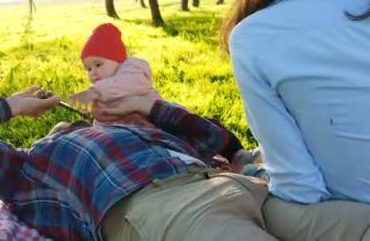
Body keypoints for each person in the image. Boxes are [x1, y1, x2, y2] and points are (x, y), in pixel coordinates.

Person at [0, 86, 276, 241]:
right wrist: (14, 105)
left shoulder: (138, 130)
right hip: (164, 210)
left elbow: (219, 141)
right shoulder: (29, 170)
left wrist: (145, 107)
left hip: (245, 187)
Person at [223, 0, 370, 239]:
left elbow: (301, 188)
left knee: (256, 195)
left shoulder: (256, 35)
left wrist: (256, 176)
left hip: (358, 221)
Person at [69, 23, 257, 170]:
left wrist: (94, 92)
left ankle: (238, 155)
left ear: (117, 59)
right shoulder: (100, 88)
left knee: (205, 128)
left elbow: (132, 83)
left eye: (98, 64)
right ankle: (215, 163)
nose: (92, 73)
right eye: (88, 68)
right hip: (139, 135)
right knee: (187, 150)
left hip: (160, 120)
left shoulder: (132, 68)